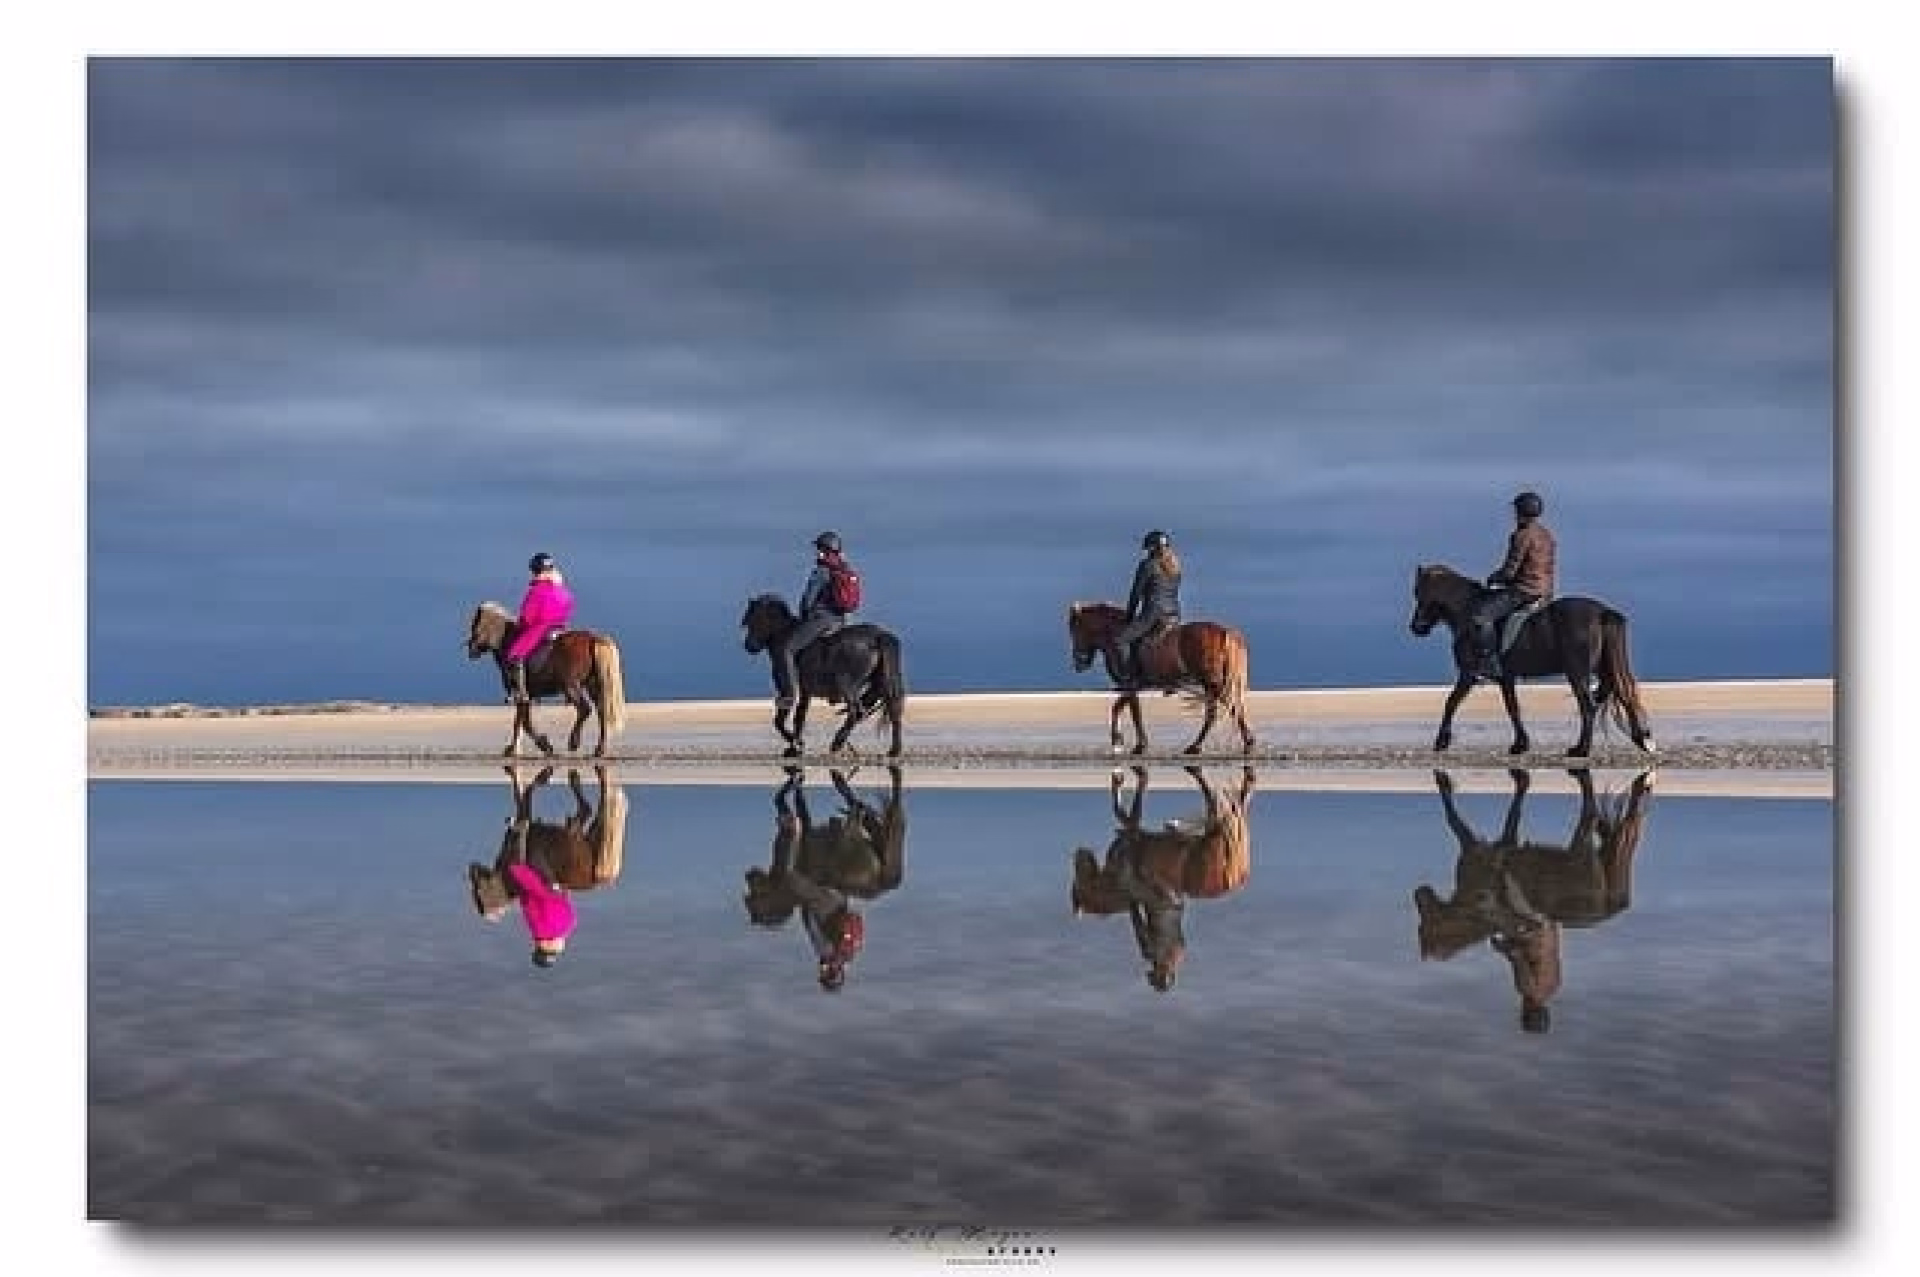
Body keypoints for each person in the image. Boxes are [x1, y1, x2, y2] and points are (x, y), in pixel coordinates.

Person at [1467, 492, 1556, 681]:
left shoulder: (1521, 535)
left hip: (1524, 591)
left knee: (1480, 616)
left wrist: (1493, 578)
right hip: (1546, 591)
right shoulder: (1546, 534)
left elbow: (1510, 571)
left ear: (1520, 511)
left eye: (1515, 511)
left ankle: (1490, 664)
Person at [779, 531, 856, 708]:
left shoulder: (822, 570)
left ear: (824, 550)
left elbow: (808, 599)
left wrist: (803, 616)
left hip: (822, 619)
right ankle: (837, 692)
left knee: (787, 650)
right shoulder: (844, 567)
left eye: (818, 548)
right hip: (842, 620)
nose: (816, 552)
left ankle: (789, 696)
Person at [503, 552, 575, 704]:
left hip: (540, 629)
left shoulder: (536, 591)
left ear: (536, 570)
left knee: (514, 655)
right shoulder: (563, 590)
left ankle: (521, 693)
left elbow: (527, 617)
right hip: (560, 628)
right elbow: (569, 606)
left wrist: (521, 625)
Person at [1114, 529, 1182, 687]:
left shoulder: (1148, 565)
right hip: (1174, 614)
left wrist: (1129, 616)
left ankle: (1130, 678)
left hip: (1153, 614)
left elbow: (1136, 593)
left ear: (1154, 548)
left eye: (1149, 549)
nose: (1147, 552)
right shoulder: (1176, 566)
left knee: (1121, 640)